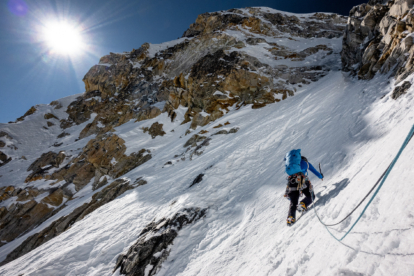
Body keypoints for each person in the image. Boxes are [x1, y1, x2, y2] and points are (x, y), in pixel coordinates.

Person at [284, 149, 323, 226]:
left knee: (293, 202)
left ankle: (290, 218)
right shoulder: (305, 163)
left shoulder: (292, 167)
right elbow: (314, 171)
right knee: (311, 196)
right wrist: (321, 176)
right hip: (302, 181)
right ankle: (303, 204)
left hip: (291, 182)